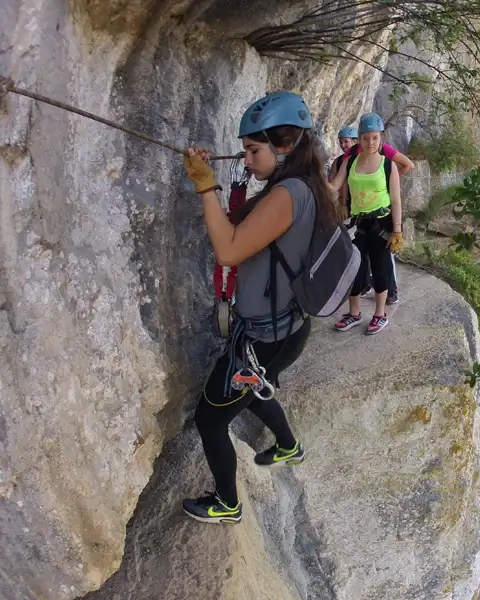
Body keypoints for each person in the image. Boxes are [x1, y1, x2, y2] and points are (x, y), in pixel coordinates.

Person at [181, 91, 342, 524]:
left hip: (262, 337)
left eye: (253, 150)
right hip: (286, 329)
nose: (248, 160)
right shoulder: (303, 184)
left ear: (284, 145)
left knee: (210, 420)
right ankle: (288, 445)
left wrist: (204, 186)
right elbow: (245, 230)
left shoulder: (287, 194)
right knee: (256, 389)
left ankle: (226, 503)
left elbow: (229, 250)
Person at [329, 113, 403, 335]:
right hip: (358, 222)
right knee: (354, 269)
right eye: (366, 138)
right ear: (359, 139)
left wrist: (397, 230)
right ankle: (354, 313)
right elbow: (333, 186)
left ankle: (380, 315)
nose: (370, 143)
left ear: (380, 138)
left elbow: (396, 199)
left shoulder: (388, 165)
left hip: (382, 223)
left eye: (374, 138)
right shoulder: (350, 162)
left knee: (381, 269)